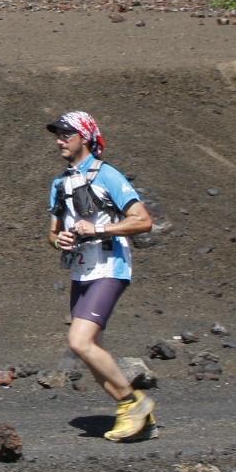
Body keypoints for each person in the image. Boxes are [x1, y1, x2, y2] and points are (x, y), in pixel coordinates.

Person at [46, 111, 157, 441]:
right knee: (91, 351)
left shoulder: (108, 176)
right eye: (58, 135)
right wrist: (59, 240)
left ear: (84, 136)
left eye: (66, 134)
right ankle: (140, 420)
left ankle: (132, 404)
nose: (59, 140)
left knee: (79, 341)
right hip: (80, 271)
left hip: (110, 267)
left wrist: (99, 228)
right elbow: (52, 233)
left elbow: (143, 220)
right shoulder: (60, 184)